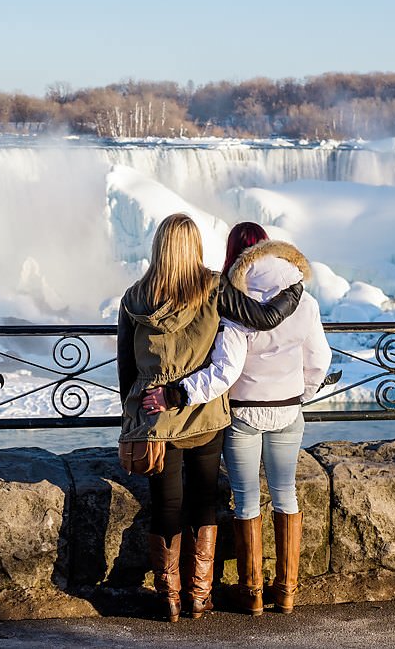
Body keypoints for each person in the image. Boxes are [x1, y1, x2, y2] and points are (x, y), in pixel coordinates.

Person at [117, 214, 303, 622]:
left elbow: (126, 368)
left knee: (166, 505)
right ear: (195, 247)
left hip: (155, 416)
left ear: (158, 248)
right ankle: (200, 597)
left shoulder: (134, 298)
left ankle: (170, 599)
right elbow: (264, 317)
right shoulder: (215, 286)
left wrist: (133, 418)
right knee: (203, 500)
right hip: (204, 413)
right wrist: (296, 289)